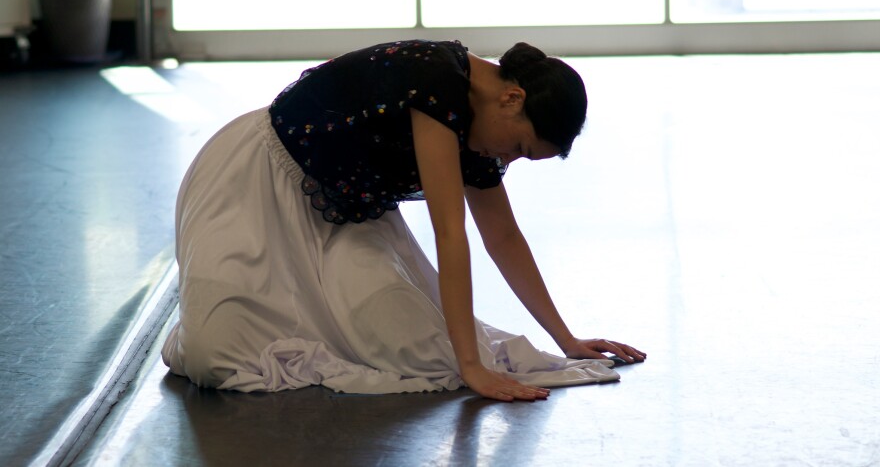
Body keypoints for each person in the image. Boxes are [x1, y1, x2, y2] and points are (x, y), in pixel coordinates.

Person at [161, 39, 645, 401]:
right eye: (519, 147)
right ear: (512, 99)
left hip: (345, 213)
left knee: (411, 346)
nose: (508, 160)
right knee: (214, 357)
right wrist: (472, 367)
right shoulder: (439, 86)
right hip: (260, 183)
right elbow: (450, 234)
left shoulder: (481, 134)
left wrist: (566, 340)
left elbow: (503, 235)